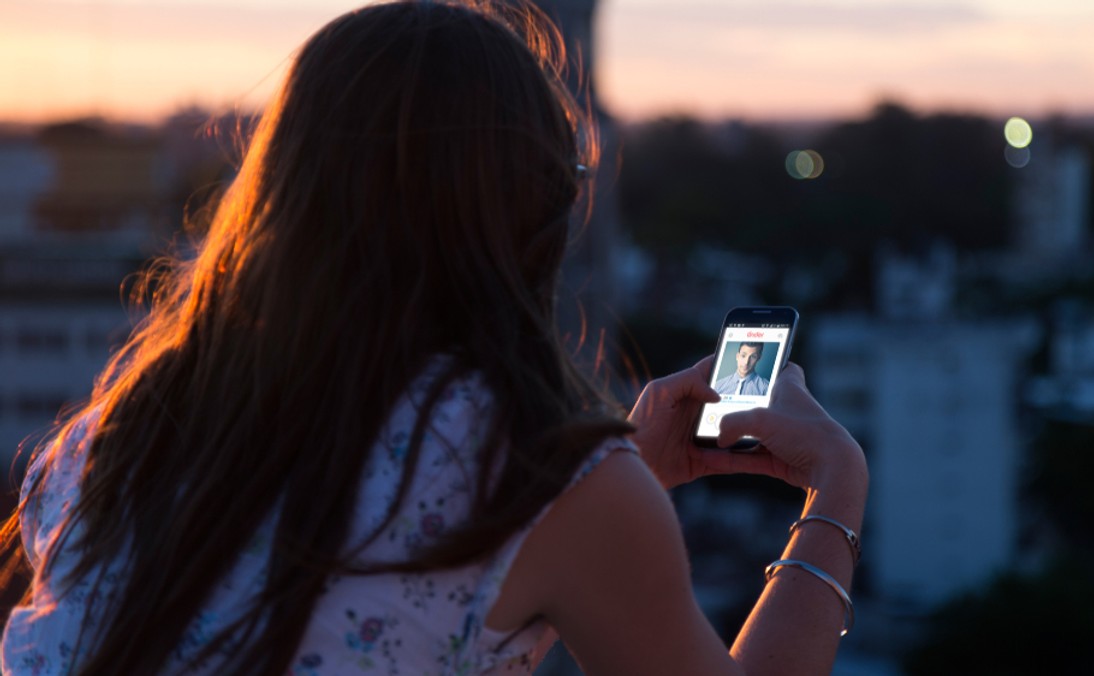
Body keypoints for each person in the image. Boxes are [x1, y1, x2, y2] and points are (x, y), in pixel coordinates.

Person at [0, 1, 868, 674]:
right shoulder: (542, 479)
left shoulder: (119, 436)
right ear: (532, 213)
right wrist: (836, 489)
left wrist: (616, 484)